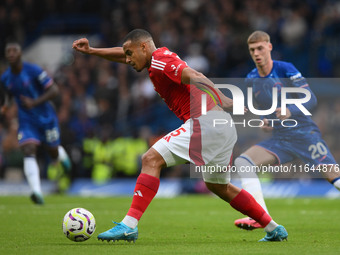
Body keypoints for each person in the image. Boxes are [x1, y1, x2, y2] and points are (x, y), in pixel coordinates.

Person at [72, 29, 288, 242]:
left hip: (206, 123)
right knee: (219, 186)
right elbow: (123, 53)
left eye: (130, 54)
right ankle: (273, 227)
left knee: (150, 159)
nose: (127, 60)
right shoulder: (154, 58)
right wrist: (92, 51)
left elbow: (195, 75)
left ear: (144, 47)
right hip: (222, 127)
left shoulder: (160, 61)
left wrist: (224, 99)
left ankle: (128, 226)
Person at [233, 31, 340, 230]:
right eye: (252, 50)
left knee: (335, 178)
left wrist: (291, 110)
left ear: (269, 47)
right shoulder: (251, 79)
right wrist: (263, 120)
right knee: (243, 162)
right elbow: (260, 110)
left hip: (304, 134)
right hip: (280, 138)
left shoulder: (286, 69)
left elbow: (311, 99)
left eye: (260, 48)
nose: (256, 53)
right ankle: (260, 217)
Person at [0, 40, 71, 204]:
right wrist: (6, 106)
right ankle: (36, 192)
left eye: (14, 50)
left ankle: (61, 156)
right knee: (28, 148)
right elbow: (10, 95)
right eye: (8, 51)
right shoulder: (5, 77)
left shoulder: (33, 70)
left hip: (46, 117)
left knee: (51, 150)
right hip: (26, 120)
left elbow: (54, 90)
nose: (11, 54)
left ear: (20, 53)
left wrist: (34, 102)